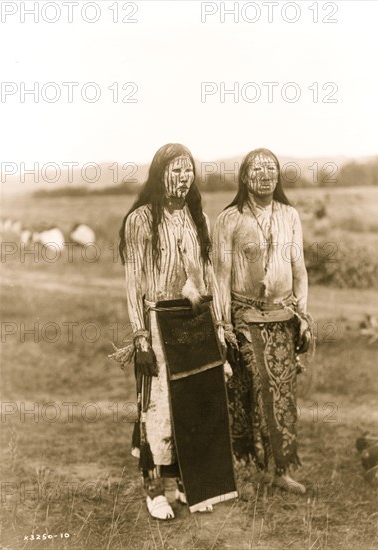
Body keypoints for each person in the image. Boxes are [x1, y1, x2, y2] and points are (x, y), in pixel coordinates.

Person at [117, 143, 237, 520]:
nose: (183, 178)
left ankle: (178, 483)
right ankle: (153, 488)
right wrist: (140, 337)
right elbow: (133, 281)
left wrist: (218, 325)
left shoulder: (194, 215)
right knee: (156, 408)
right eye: (175, 170)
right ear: (159, 174)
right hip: (157, 322)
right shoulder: (140, 219)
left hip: (194, 320)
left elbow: (209, 277)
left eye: (188, 171)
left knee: (190, 405)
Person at [213, 148, 313, 494]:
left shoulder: (289, 215)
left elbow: (299, 271)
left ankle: (279, 470)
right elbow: (220, 279)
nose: (265, 174)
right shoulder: (230, 219)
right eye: (257, 169)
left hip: (284, 316)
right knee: (251, 391)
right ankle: (247, 470)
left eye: (271, 168)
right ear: (244, 177)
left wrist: (303, 315)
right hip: (244, 317)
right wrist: (223, 327)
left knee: (283, 395)